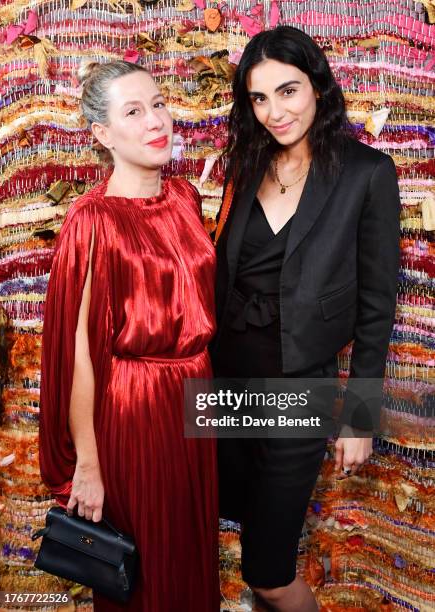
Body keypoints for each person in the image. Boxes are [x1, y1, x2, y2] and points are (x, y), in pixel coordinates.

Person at [211, 26, 400, 612]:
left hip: (298, 389)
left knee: (269, 571)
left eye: (287, 91)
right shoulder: (246, 163)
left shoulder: (366, 172)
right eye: (259, 98)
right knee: (238, 540)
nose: (274, 112)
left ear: (317, 85)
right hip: (222, 387)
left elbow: (376, 305)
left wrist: (360, 417)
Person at [39, 60, 219, 612]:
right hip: (135, 408)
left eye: (159, 104)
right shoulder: (92, 219)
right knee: (145, 576)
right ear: (102, 134)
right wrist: (87, 467)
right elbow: (77, 355)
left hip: (196, 400)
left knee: (192, 561)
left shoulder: (186, 197)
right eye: (134, 112)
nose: (155, 121)